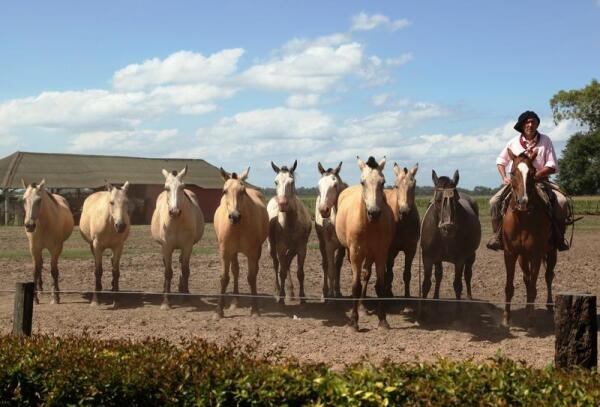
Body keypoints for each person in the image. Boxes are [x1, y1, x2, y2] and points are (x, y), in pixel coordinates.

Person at [486, 110, 570, 251]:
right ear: (522, 125)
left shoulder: (546, 140)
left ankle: (558, 237)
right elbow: (501, 161)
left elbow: (552, 165)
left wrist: (537, 175)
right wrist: (504, 177)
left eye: (533, 122)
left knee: (562, 201)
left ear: (537, 124)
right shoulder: (512, 143)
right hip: (517, 182)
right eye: (527, 122)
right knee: (494, 201)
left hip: (541, 180)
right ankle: (497, 236)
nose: (530, 125)